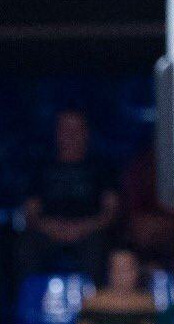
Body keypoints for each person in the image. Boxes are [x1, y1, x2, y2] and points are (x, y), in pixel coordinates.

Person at [17, 110, 120, 281]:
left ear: (86, 133)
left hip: (90, 232)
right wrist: (49, 226)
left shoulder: (102, 167)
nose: (71, 135)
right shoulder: (41, 166)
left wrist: (84, 227)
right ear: (57, 132)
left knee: (100, 247)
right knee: (26, 247)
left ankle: (93, 305)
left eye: (76, 129)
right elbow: (30, 211)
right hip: (48, 231)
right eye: (65, 129)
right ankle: (30, 301)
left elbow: (111, 211)